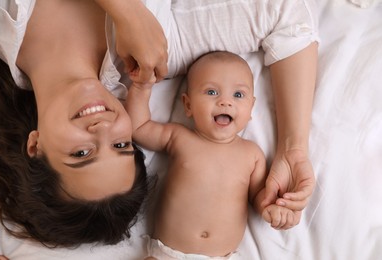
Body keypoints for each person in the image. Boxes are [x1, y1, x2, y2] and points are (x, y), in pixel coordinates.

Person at [0, 0, 317, 250]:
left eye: (81, 152)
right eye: (121, 145)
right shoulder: (155, 51)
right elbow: (284, 13)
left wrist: (128, 13)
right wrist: (294, 148)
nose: (103, 128)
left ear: (35, 145)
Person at [127, 51, 298, 259]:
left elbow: (259, 195)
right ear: (188, 105)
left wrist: (272, 209)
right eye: (211, 92)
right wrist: (140, 87)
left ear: (251, 107)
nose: (225, 102)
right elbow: (139, 128)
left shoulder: (251, 154)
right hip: (168, 254)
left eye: (238, 95)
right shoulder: (179, 137)